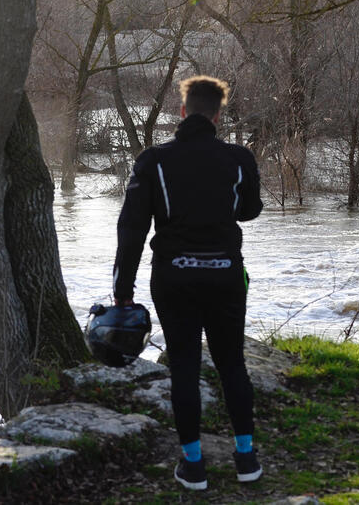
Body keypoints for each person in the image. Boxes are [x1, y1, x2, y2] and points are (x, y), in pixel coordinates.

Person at [112, 75, 264, 491]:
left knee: (184, 366)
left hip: (174, 275)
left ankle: (194, 466)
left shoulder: (153, 161)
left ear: (182, 111)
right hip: (225, 275)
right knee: (232, 361)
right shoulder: (239, 158)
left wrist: (122, 289)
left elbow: (132, 228)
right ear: (218, 115)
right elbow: (250, 211)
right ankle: (246, 459)